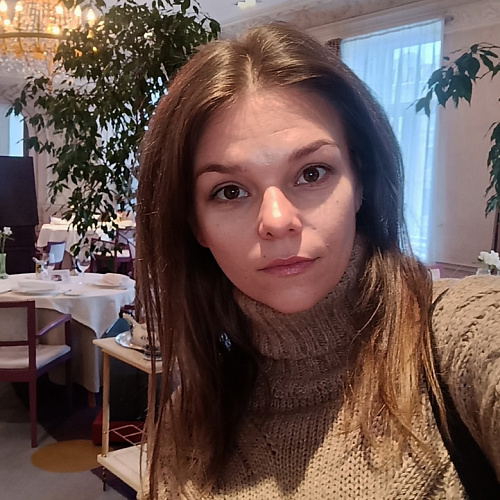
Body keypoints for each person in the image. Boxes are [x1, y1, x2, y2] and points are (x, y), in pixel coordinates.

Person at [135, 22, 500, 499]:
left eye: (312, 173)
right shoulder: (187, 421)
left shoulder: (456, 339)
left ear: (361, 183)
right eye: (229, 191)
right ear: (196, 225)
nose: (277, 221)